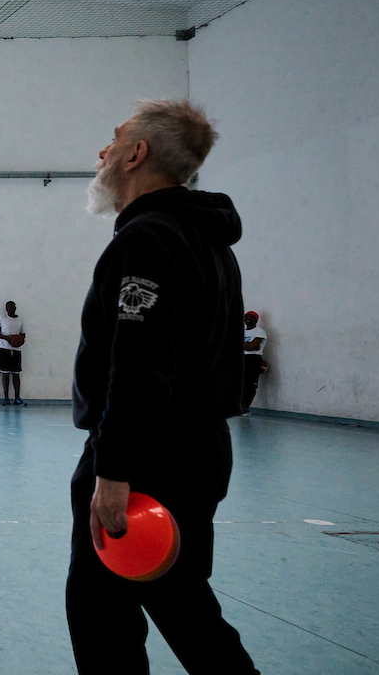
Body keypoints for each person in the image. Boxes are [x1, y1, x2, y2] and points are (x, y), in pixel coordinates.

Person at [66, 100, 259, 674]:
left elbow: (141, 365)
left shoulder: (149, 240)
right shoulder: (206, 241)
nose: (103, 152)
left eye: (114, 139)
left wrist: (114, 471)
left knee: (107, 614)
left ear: (136, 154)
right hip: (196, 453)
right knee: (178, 603)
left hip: (149, 460)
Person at [0, 301, 27, 406]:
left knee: (16, 374)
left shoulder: (20, 320)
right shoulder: (1, 318)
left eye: (12, 307)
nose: (10, 309)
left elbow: (23, 334)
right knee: (5, 374)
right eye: (8, 307)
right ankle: (6, 397)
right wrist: (7, 338)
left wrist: (20, 341)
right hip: (4, 349)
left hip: (16, 350)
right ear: (6, 308)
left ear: (15, 308)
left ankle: (17, 398)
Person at [241, 311, 267, 413]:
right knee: (240, 383)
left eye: (251, 317)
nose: (247, 318)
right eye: (246, 317)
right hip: (242, 358)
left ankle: (245, 407)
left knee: (250, 384)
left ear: (256, 319)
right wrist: (247, 345)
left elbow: (253, 346)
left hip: (253, 359)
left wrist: (242, 344)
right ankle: (238, 405)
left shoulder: (259, 331)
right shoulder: (241, 331)